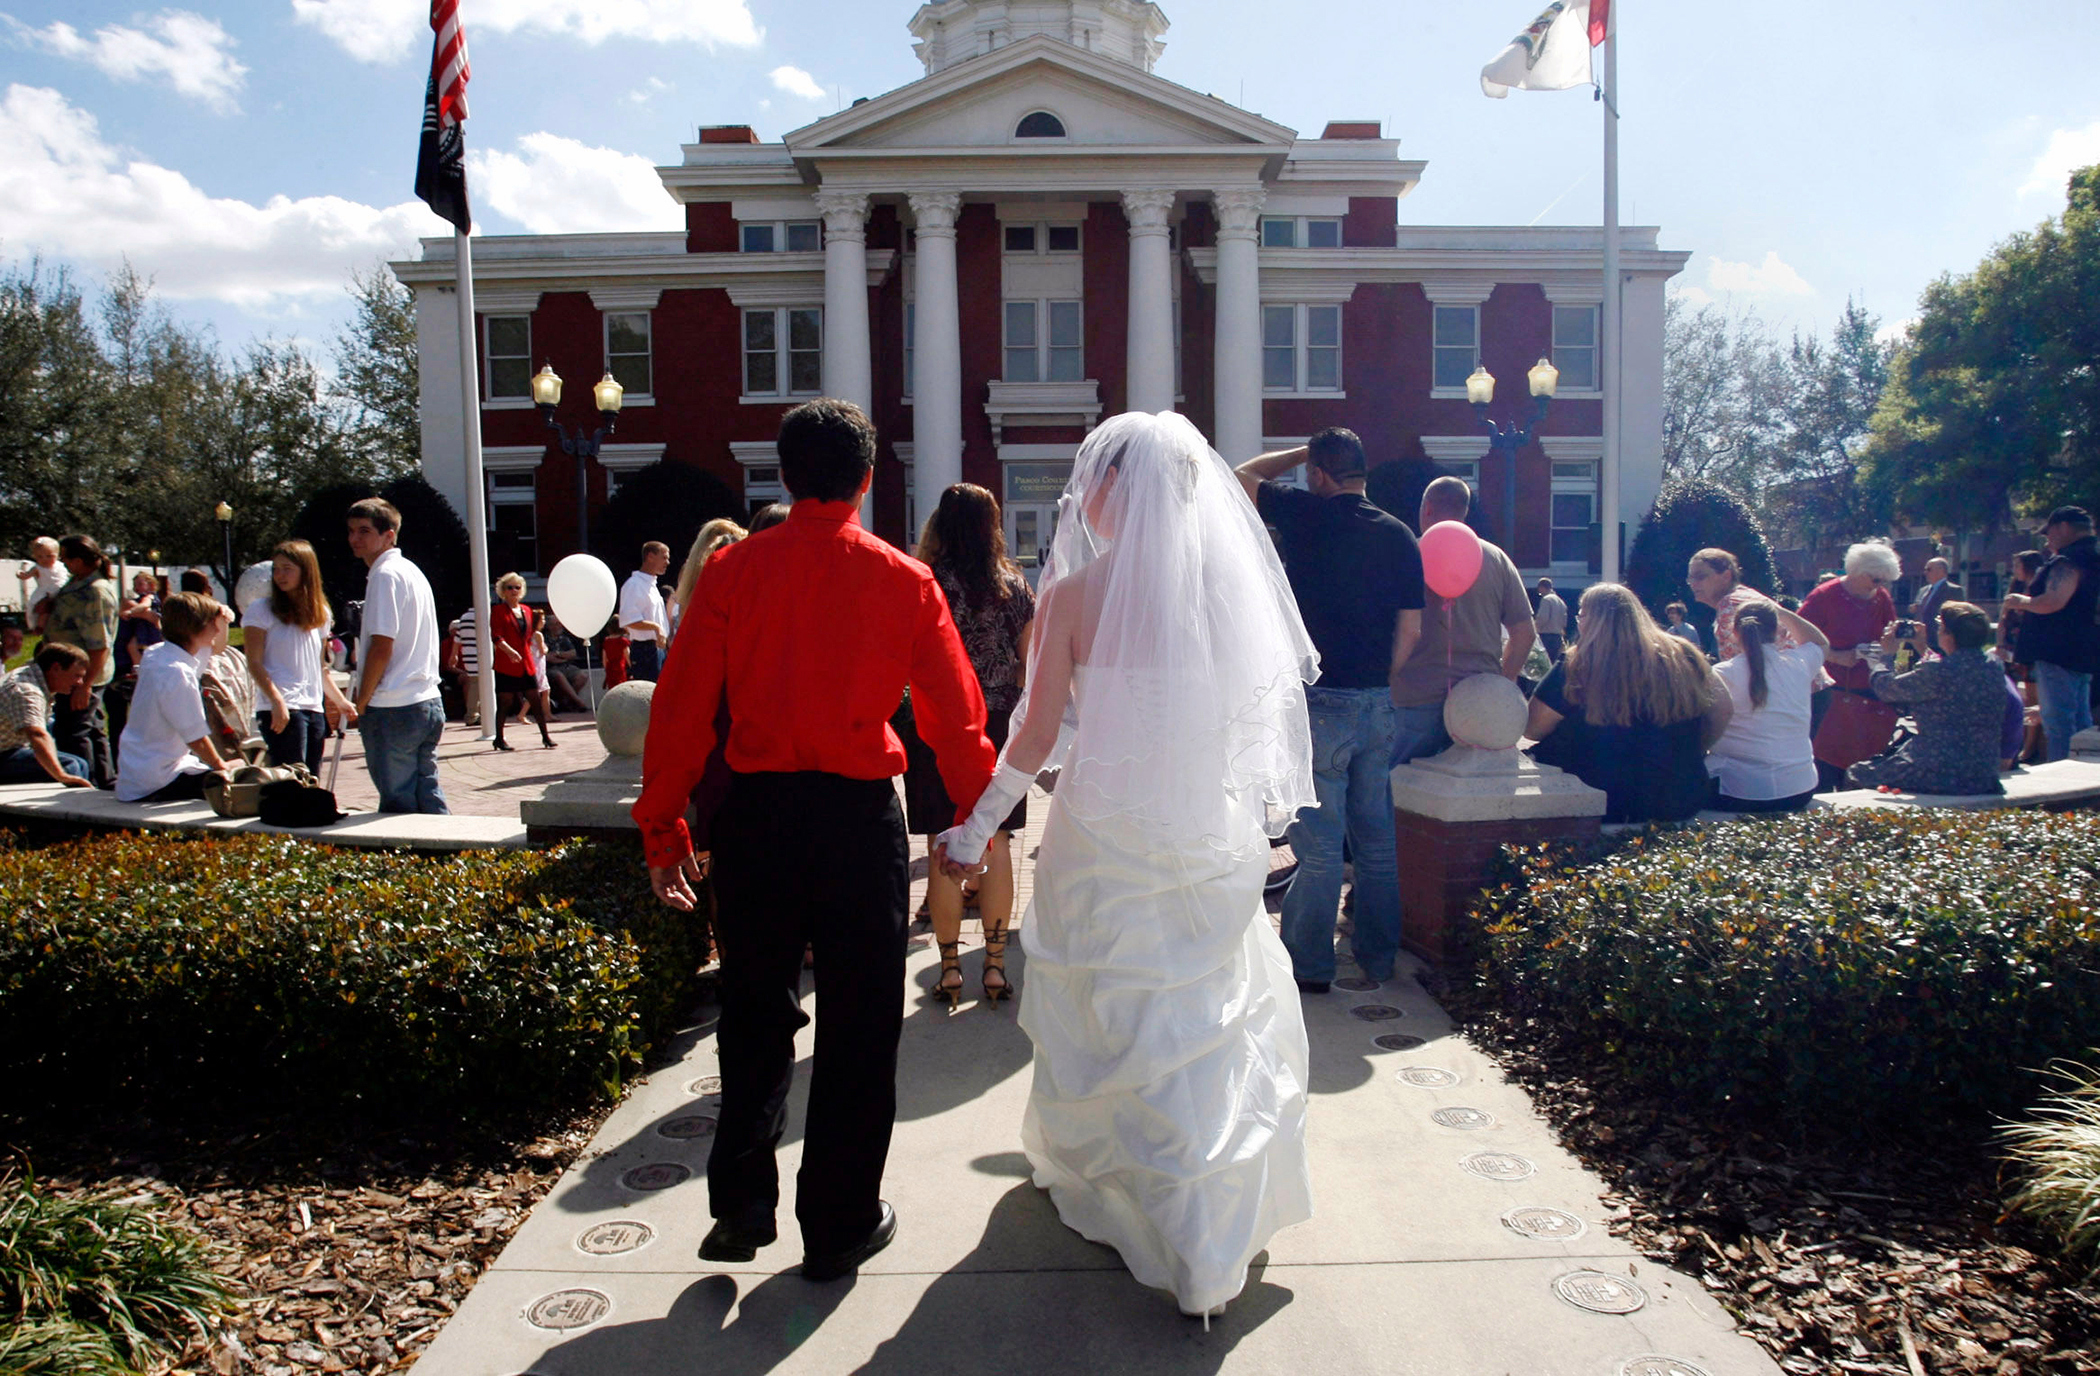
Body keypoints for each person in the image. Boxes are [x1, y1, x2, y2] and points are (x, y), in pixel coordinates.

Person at [938, 410, 1318, 1319]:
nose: (1082, 498)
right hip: (1202, 830)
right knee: (1201, 1012)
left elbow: (1036, 737)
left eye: (1092, 483)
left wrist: (974, 828)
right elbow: (1246, 722)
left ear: (1118, 491)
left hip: (1108, 835)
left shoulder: (1075, 595)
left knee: (1124, 1015)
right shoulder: (1227, 591)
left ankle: (1144, 1192)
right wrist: (1260, 820)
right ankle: (1204, 1227)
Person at [635, 398, 996, 1282]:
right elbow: (956, 718)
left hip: (756, 815)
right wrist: (972, 822)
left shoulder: (730, 573)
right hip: (857, 817)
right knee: (861, 1022)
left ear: (785, 475)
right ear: (868, 480)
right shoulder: (904, 580)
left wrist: (663, 825)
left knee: (754, 1009)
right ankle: (837, 1223)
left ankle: (742, 1205)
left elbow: (679, 709)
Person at [1234, 427, 1421, 992]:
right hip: (1376, 701)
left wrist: (1298, 451)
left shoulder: (1305, 516)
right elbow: (1411, 627)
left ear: (1318, 474)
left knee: (1317, 844)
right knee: (1376, 839)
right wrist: (1382, 681)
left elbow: (1242, 476)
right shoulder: (1400, 535)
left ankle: (1310, 967)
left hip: (1319, 702)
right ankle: (1378, 957)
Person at [903, 483, 1035, 1008]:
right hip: (998, 723)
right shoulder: (1013, 585)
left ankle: (951, 968)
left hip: (934, 722)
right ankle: (997, 967)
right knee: (997, 838)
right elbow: (1030, 661)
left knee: (942, 839)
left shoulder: (924, 582)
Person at [1526, 583, 1733, 824]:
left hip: (1604, 799)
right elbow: (1723, 710)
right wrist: (1694, 749)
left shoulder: (1577, 663)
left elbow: (1533, 727)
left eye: (1581, 616)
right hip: (1679, 796)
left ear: (1591, 620)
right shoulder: (1683, 653)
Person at [1389, 476, 1533, 765]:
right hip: (1479, 699)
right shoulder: (1497, 558)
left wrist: (1387, 677)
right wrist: (1505, 679)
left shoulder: (1404, 557)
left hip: (1415, 695)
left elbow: (1395, 629)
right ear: (1465, 511)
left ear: (1427, 509)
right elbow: (1524, 632)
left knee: (1396, 790)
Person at [345, 498, 448, 814]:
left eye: (365, 531)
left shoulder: (385, 575)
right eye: (351, 531)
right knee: (427, 794)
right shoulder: (410, 571)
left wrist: (362, 701)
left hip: (394, 706)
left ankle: (416, 860)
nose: (355, 539)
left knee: (398, 806)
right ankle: (451, 858)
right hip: (426, 700)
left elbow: (381, 645)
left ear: (389, 535)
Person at [1848, 602, 2010, 796]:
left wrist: (1886, 655)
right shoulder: (1994, 666)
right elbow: (1948, 674)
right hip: (1984, 772)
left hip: (1938, 770)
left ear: (1949, 636)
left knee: (1856, 774)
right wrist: (1921, 647)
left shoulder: (1938, 672)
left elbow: (1886, 688)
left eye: (1941, 628)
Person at [1705, 599, 1832, 812]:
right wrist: (1783, 613)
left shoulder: (1722, 673)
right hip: (1800, 790)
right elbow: (1820, 643)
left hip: (1738, 793)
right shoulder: (1799, 664)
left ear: (1735, 632)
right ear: (1778, 631)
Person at [1799, 541, 1902, 789]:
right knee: (1824, 767)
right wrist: (1835, 656)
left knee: (1863, 769)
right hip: (1831, 693)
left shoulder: (1881, 598)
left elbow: (1891, 636)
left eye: (1885, 582)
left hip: (1869, 694)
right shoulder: (1824, 596)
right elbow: (1794, 639)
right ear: (1858, 571)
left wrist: (1889, 647)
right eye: (1876, 580)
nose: (1880, 587)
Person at [115, 592, 235, 803]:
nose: (217, 628)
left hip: (139, 771)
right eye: (212, 623)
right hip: (157, 781)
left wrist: (221, 617)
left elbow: (215, 646)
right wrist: (221, 768)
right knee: (243, 781)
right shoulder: (177, 673)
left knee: (238, 767)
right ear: (195, 627)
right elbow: (196, 738)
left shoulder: (156, 653)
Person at [2001, 506, 2099, 761]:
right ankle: (2085, 780)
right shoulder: (2093, 557)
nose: (2048, 540)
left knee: (2059, 723)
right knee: (2081, 720)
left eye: (2049, 533)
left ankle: (2061, 784)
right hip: (2084, 650)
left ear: (2063, 527)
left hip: (2058, 651)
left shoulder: (2068, 559)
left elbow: (2054, 600)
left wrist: (2020, 601)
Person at [243, 540, 349, 773]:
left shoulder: (321, 613)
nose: (280, 575)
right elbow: (254, 661)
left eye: (287, 568)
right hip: (283, 705)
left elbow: (319, 667)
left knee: (311, 775)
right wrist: (276, 700)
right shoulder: (260, 609)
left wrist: (340, 702)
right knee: (291, 776)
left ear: (306, 571)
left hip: (313, 706)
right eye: (276, 569)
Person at [45, 535, 120, 788]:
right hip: (68, 672)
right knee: (92, 729)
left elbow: (100, 644)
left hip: (79, 675)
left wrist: (85, 685)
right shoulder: (76, 584)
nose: (62, 562)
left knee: (74, 733)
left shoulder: (95, 592)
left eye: (65, 557)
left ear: (78, 560)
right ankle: (105, 780)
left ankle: (82, 786)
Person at [0, 641, 94, 786]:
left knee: (80, 764)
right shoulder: (27, 692)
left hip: (9, 749)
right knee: (70, 767)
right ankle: (65, 808)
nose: (80, 683)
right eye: (76, 676)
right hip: (4, 753)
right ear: (55, 668)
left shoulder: (32, 673)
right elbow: (37, 734)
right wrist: (61, 776)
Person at [489, 572, 555, 751]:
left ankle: (545, 737)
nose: (514, 591)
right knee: (505, 702)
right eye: (509, 587)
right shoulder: (498, 611)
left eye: (517, 587)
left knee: (535, 698)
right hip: (506, 664)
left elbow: (529, 637)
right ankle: (499, 739)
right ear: (503, 591)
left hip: (526, 663)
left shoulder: (526, 610)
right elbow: (496, 636)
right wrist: (509, 651)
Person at [1686, 548, 1783, 661]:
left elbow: (1736, 669)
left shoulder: (1730, 605)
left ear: (1726, 576)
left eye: (1700, 577)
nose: (1693, 584)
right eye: (1690, 578)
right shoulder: (1749, 597)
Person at [619, 542, 671, 682]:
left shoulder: (651, 586)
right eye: (664, 558)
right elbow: (629, 620)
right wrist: (656, 627)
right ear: (650, 556)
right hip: (645, 651)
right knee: (649, 696)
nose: (667, 562)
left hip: (658, 650)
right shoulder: (634, 585)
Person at [540, 611, 591, 713]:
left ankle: (565, 702)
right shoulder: (543, 638)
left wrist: (558, 654)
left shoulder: (564, 638)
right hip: (549, 668)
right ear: (549, 626)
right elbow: (547, 657)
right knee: (559, 676)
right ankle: (579, 702)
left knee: (582, 676)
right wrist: (562, 656)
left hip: (565, 666)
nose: (559, 626)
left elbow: (573, 653)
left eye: (559, 623)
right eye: (555, 624)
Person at [17, 537, 64, 633]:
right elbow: (26, 576)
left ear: (57, 555)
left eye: (49, 556)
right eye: (40, 557)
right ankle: (39, 626)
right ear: (34, 556)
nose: (45, 559)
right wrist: (21, 574)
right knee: (43, 608)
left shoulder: (60, 566)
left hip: (60, 588)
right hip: (45, 591)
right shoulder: (37, 568)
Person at [1911, 557, 1961, 641]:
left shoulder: (1953, 590)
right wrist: (1913, 609)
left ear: (1941, 571)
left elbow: (1956, 617)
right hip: (1919, 639)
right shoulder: (1922, 590)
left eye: (1929, 569)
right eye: (1925, 570)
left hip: (1938, 640)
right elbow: (1919, 610)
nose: (1925, 572)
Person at [1534, 577, 1569, 663]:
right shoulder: (1560, 601)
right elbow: (1564, 621)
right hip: (1557, 637)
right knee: (1554, 662)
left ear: (1542, 587)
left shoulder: (1546, 600)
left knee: (1545, 663)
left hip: (1546, 637)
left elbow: (1543, 618)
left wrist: (1534, 629)